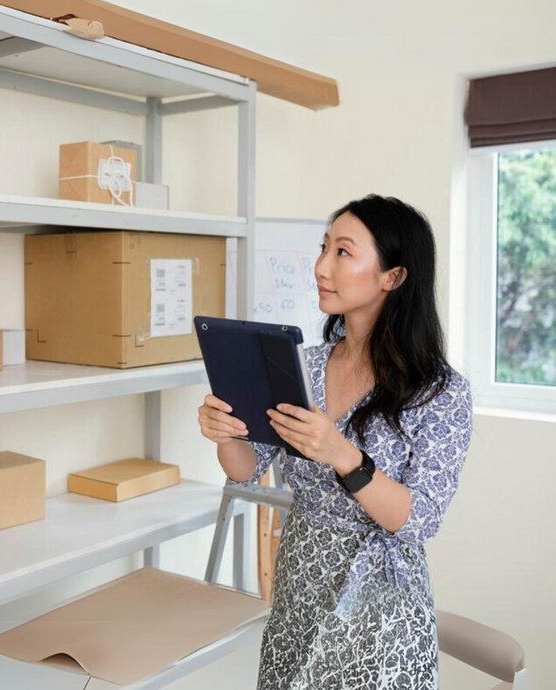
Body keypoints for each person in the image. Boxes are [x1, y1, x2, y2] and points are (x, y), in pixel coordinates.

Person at [197, 194, 474, 689]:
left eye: (343, 252)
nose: (322, 266)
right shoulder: (301, 364)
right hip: (299, 585)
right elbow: (245, 467)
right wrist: (225, 431)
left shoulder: (440, 391)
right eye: (324, 248)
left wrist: (342, 454)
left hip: (380, 608)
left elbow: (419, 519)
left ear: (393, 276)